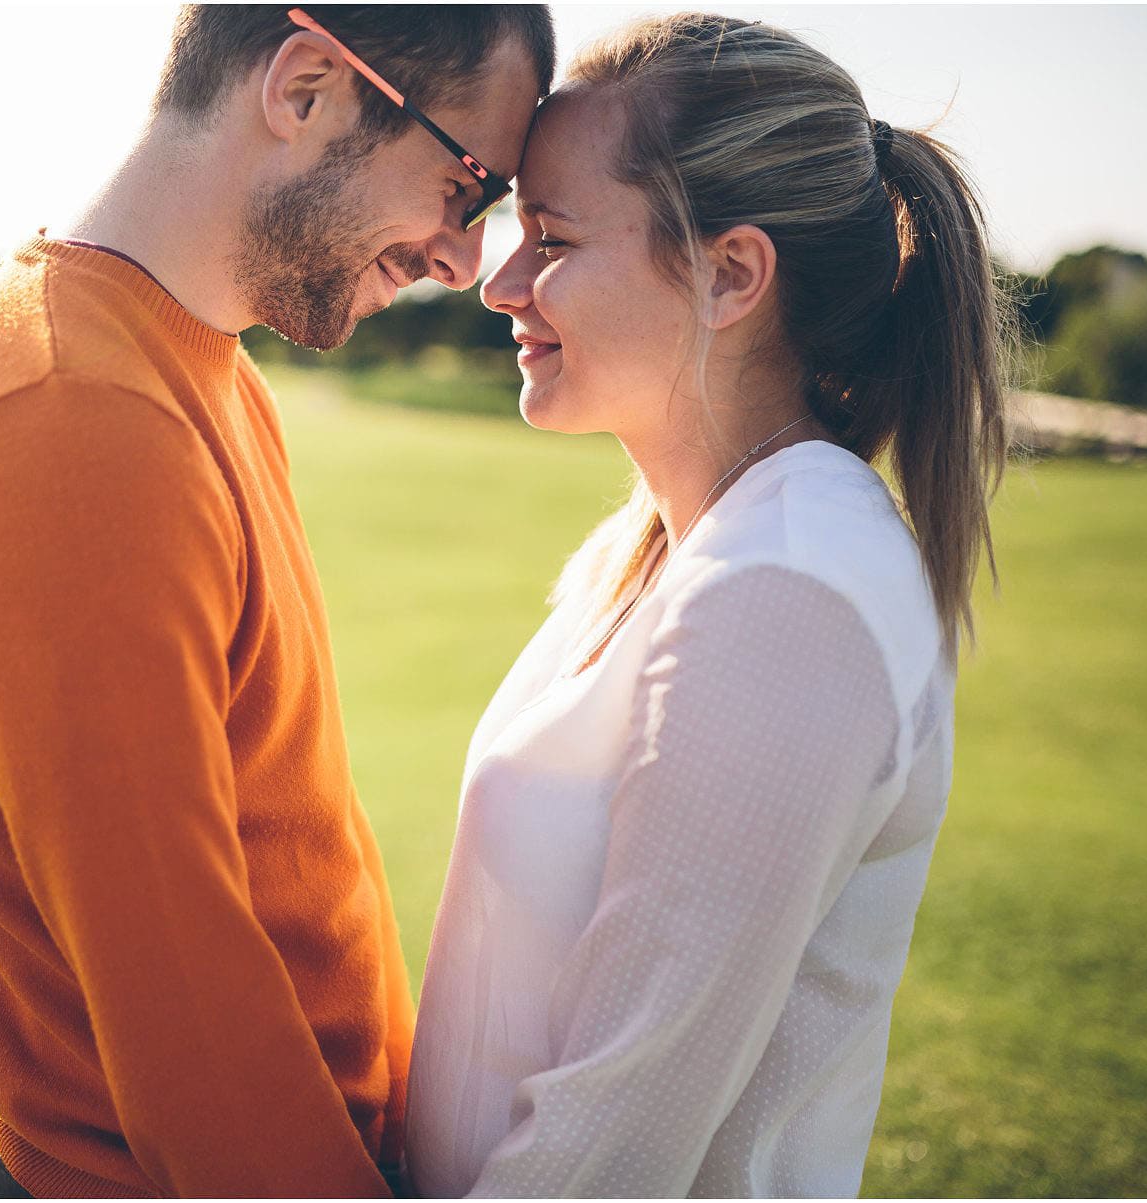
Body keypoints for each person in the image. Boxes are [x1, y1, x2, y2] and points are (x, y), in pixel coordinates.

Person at [0, 5, 554, 1197]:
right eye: (467, 185)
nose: (462, 260)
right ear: (308, 87)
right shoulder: (64, 416)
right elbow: (180, 996)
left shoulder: (188, 367)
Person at [403, 12, 1009, 1198]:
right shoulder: (660, 546)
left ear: (731, 274)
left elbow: (617, 1138)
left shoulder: (787, 589)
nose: (504, 283)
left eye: (555, 237)